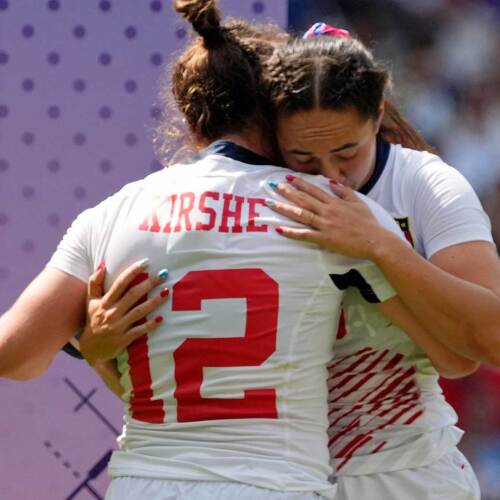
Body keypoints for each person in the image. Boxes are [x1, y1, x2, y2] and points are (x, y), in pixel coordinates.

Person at [0, 3, 412, 499]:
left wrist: (93, 349)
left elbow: (14, 355)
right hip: (274, 486)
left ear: (192, 123)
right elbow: (450, 352)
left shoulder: (111, 214)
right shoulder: (331, 212)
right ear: (277, 108)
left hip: (144, 485)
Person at [261, 23, 500, 499]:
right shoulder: (252, 192)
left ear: (377, 116)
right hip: (280, 475)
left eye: (347, 152)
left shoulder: (426, 184)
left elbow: (487, 345)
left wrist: (381, 244)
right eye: (304, 158)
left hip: (407, 473)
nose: (332, 177)